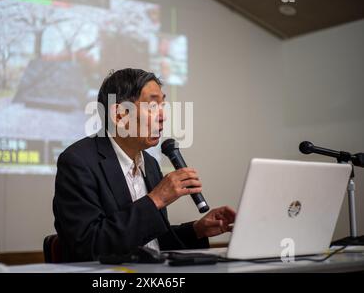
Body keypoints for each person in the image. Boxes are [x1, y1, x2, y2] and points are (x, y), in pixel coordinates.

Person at [53, 68, 235, 262]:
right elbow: (89, 245)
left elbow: (151, 242)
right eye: (153, 105)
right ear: (120, 115)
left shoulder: (150, 163)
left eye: (163, 105)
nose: (163, 115)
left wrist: (197, 230)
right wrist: (156, 198)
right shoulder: (78, 161)